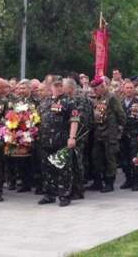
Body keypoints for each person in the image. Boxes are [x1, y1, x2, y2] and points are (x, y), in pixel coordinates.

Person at [37, 76, 80, 207]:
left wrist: (72, 137)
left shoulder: (69, 102)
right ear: (50, 87)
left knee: (63, 169)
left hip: (61, 140)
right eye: (55, 85)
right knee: (47, 168)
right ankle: (49, 194)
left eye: (60, 85)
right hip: (45, 141)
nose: (58, 88)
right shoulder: (45, 102)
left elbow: (75, 120)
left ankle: (64, 195)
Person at [88, 77, 126, 193]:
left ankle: (109, 182)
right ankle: (98, 181)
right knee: (96, 157)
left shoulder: (112, 97)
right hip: (99, 133)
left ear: (103, 87)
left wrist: (118, 130)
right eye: (93, 89)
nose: (94, 91)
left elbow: (121, 116)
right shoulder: (97, 98)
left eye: (96, 89)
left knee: (110, 158)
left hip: (110, 134)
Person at [64, 78, 92, 200]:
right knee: (71, 162)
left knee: (77, 162)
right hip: (71, 134)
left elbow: (82, 120)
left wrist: (74, 135)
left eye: (63, 86)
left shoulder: (80, 100)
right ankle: (71, 188)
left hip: (79, 135)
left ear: (70, 88)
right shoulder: (68, 99)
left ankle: (78, 190)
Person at [120, 80, 138, 191]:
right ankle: (128, 179)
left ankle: (136, 181)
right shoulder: (120, 102)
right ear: (123, 89)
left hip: (135, 135)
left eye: (131, 88)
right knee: (124, 160)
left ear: (134, 89)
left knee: (135, 160)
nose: (129, 90)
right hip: (122, 135)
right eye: (127, 88)